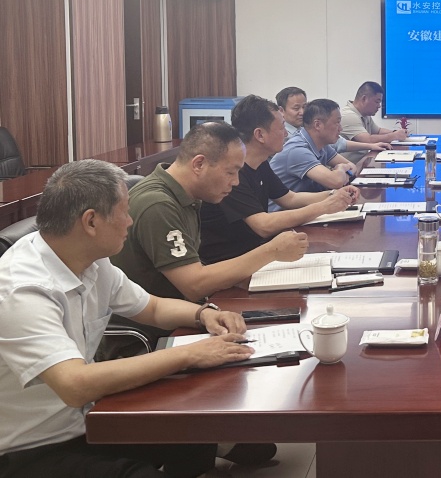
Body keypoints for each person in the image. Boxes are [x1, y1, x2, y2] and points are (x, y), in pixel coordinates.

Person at [0, 159, 275, 477]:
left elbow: (153, 308)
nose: (130, 221)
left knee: (193, 419)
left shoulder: (89, 258)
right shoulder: (23, 289)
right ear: (91, 222)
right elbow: (74, 384)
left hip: (89, 420)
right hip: (32, 448)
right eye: (124, 212)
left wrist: (205, 314)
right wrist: (189, 354)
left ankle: (204, 450)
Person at [112, 123, 308, 304]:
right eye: (230, 172)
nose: (236, 182)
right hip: (160, 325)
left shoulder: (188, 194)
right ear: (199, 164)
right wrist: (272, 251)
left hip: (190, 310)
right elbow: (194, 286)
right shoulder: (158, 205)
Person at [200, 95, 361, 264]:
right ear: (260, 135)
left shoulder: (260, 163)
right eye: (282, 127)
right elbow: (263, 225)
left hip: (255, 252)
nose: (285, 134)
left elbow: (290, 198)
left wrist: (335, 195)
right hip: (232, 262)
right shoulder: (232, 172)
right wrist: (324, 207)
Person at [271, 99, 367, 192]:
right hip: (287, 204)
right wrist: (341, 168)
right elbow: (336, 182)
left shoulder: (322, 145)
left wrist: (340, 172)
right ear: (318, 125)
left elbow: (352, 167)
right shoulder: (297, 150)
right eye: (337, 123)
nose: (340, 129)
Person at [339, 81, 408, 164]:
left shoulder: (364, 114)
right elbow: (367, 140)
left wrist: (396, 132)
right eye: (377, 101)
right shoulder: (349, 116)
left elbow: (378, 131)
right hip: (348, 166)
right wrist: (394, 136)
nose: (379, 106)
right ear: (364, 99)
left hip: (361, 162)